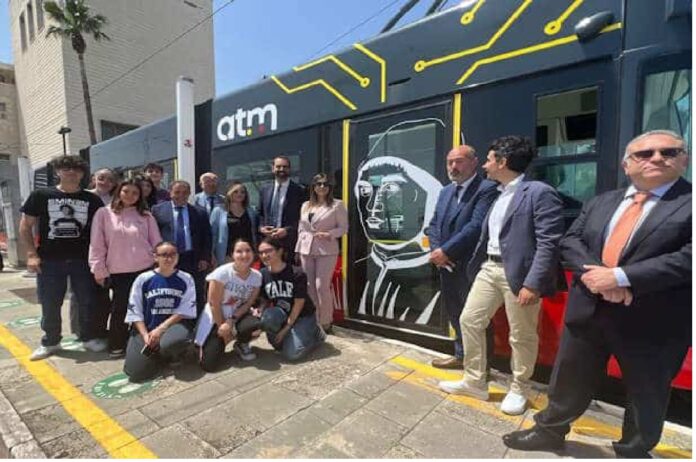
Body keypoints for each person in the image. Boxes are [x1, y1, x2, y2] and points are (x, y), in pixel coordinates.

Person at [503, 130, 692, 458]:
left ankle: (633, 450)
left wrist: (621, 277)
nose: (657, 158)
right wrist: (599, 278)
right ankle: (549, 432)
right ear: (626, 165)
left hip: (653, 319)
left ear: (684, 160)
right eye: (644, 154)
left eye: (668, 152)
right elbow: (571, 241)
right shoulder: (603, 201)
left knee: (647, 391)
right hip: (589, 309)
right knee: (569, 377)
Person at [439, 135, 564, 416]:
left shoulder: (538, 192)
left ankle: (520, 388)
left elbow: (549, 243)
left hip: (519, 274)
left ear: (503, 162)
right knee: (469, 320)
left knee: (521, 335)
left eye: (488, 160)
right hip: (489, 268)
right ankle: (474, 381)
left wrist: (533, 283)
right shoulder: (499, 192)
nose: (485, 165)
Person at [19, 155, 104, 360]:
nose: (71, 172)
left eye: (76, 169)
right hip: (50, 260)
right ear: (57, 172)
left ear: (83, 174)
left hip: (83, 260)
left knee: (86, 301)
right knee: (50, 302)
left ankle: (88, 337)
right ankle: (51, 342)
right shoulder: (41, 195)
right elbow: (25, 226)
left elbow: (102, 229)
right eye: (66, 168)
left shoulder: (92, 200)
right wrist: (31, 254)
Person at [426, 145, 498, 369]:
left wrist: (446, 251)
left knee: (476, 317)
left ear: (474, 162)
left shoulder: (487, 189)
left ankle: (482, 366)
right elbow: (434, 224)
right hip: (446, 265)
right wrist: (437, 251)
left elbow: (476, 226)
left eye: (459, 161)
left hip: (471, 265)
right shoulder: (445, 191)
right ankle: (461, 355)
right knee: (455, 311)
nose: (453, 167)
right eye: (450, 162)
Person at [89, 178, 162, 358]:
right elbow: (97, 244)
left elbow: (157, 243)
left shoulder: (146, 216)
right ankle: (117, 344)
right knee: (120, 308)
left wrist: (160, 265)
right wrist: (98, 269)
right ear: (118, 192)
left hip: (145, 270)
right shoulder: (104, 214)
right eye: (126, 191)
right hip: (118, 271)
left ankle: (143, 342)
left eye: (135, 193)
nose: (130, 196)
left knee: (145, 308)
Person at [123, 242, 197, 382]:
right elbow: (135, 310)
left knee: (172, 342)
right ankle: (155, 354)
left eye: (173, 254)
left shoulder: (186, 278)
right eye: (164, 255)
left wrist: (161, 329)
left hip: (172, 327)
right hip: (147, 329)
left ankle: (172, 355)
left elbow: (184, 311)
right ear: (155, 257)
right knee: (135, 372)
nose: (169, 258)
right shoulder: (143, 279)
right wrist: (145, 335)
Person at [195, 239, 262, 371]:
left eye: (248, 251)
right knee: (209, 365)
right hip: (217, 313)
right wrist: (222, 326)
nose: (244, 255)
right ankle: (215, 340)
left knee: (254, 324)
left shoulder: (256, 276)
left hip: (238, 313)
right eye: (239, 251)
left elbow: (249, 302)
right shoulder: (222, 273)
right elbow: (213, 303)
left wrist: (232, 319)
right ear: (232, 254)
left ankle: (242, 343)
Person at [257, 237, 326, 361]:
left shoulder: (297, 273)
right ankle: (293, 337)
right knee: (277, 345)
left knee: (292, 354)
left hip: (302, 315)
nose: (264, 255)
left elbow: (299, 303)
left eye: (268, 251)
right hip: (282, 313)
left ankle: (316, 335)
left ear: (279, 251)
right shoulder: (263, 273)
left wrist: (286, 329)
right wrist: (260, 311)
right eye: (261, 252)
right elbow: (265, 299)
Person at [295, 173, 348, 332]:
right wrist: (298, 249)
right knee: (310, 286)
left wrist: (330, 234)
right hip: (306, 248)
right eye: (319, 184)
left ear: (330, 187)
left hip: (326, 249)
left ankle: (326, 321)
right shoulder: (305, 205)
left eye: (325, 184)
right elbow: (301, 228)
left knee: (321, 286)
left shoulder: (337, 205)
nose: (322, 187)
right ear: (314, 187)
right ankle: (314, 319)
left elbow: (344, 228)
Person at [152, 180, 212, 315]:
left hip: (192, 258)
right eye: (177, 192)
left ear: (190, 194)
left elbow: (207, 237)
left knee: (195, 292)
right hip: (168, 259)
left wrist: (205, 258)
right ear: (170, 193)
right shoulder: (157, 210)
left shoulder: (200, 212)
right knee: (169, 291)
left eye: (185, 193)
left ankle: (196, 322)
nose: (181, 195)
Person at [258, 156, 306, 264]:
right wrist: (261, 228)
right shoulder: (264, 189)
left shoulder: (299, 190)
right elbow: (260, 214)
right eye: (278, 166)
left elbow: (303, 218)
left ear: (289, 169)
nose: (281, 169)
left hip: (288, 244)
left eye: (285, 167)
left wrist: (287, 230)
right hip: (268, 242)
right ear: (273, 168)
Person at [210, 182, 259, 268]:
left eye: (242, 192)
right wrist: (211, 254)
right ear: (229, 193)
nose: (239, 194)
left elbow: (254, 233)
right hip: (226, 256)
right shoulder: (218, 211)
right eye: (235, 192)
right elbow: (212, 235)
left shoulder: (251, 211)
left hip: (247, 255)